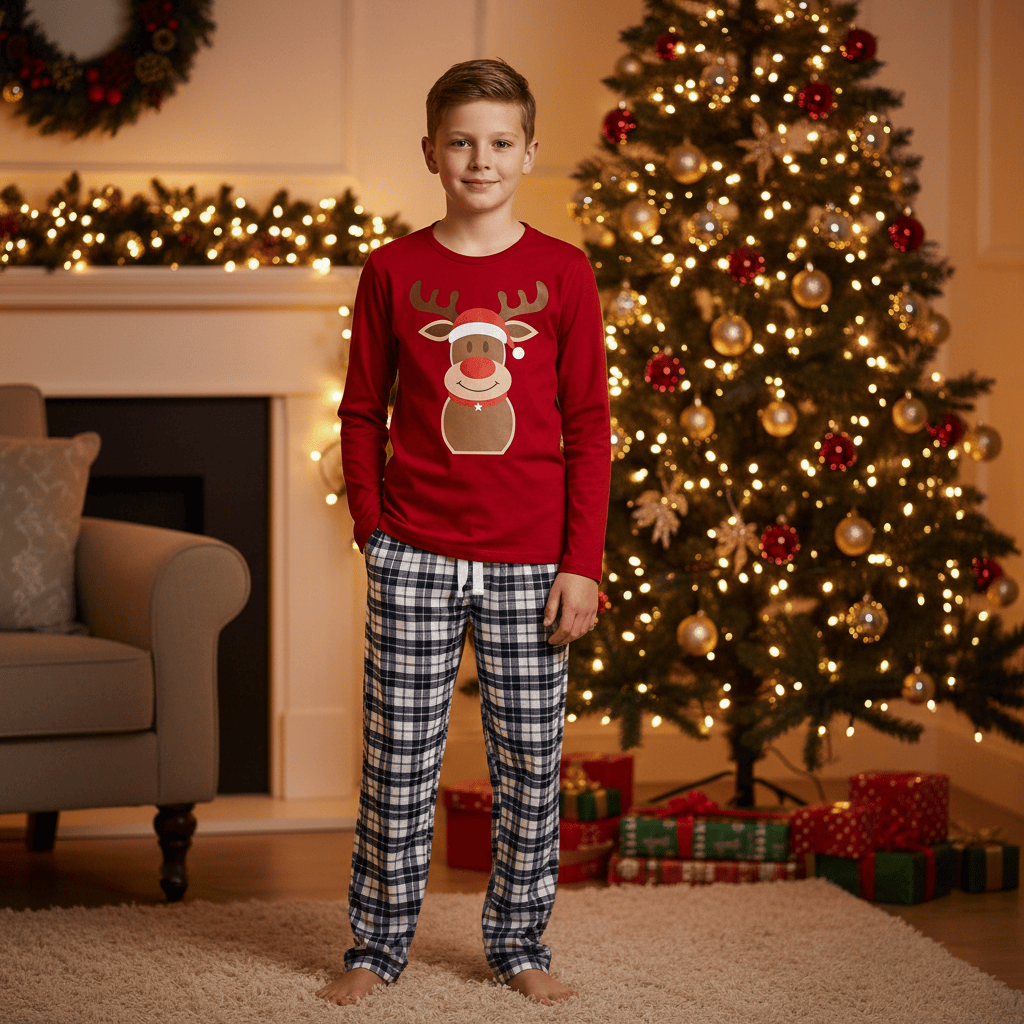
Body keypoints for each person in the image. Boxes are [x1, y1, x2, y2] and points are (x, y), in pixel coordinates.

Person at [317, 57, 610, 1007]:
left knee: (530, 764)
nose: (479, 161)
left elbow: (588, 427)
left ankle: (519, 940)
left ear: (529, 150)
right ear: (433, 153)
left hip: (535, 565)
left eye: (498, 143)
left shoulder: (563, 272)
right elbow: (363, 411)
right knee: (399, 759)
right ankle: (376, 944)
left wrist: (583, 563)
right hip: (414, 554)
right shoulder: (394, 271)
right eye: (460, 143)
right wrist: (374, 528)